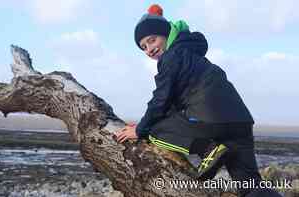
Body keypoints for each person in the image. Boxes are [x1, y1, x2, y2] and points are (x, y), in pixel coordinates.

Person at [114, 4, 282, 197]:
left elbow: (160, 100)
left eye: (152, 40)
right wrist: (143, 123)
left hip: (212, 118)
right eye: (143, 47)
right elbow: (172, 102)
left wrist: (140, 129)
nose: (149, 49)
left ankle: (208, 150)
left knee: (154, 130)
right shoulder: (191, 54)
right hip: (240, 121)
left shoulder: (171, 57)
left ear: (166, 33)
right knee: (250, 184)